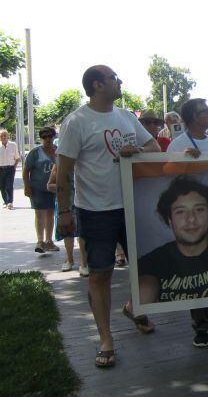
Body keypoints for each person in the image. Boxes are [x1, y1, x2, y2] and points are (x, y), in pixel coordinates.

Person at [56, 65, 161, 369]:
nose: (120, 82)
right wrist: (64, 212)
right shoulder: (76, 122)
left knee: (148, 269)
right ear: (98, 84)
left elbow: (153, 147)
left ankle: (134, 308)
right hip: (94, 211)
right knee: (101, 275)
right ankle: (106, 339)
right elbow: (63, 171)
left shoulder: (127, 117)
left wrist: (136, 154)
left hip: (132, 206)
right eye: (115, 78)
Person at [138, 176, 208, 347]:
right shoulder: (153, 263)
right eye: (180, 212)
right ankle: (202, 324)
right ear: (169, 220)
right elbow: (145, 291)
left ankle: (206, 317)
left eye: (199, 210)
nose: (191, 219)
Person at [165, 97, 208, 345]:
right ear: (194, 117)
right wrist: (183, 162)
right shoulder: (177, 144)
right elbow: (167, 175)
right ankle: (199, 324)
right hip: (192, 213)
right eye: (205, 112)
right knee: (194, 266)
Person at [47, 162, 88, 274]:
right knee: (67, 232)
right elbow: (49, 185)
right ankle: (69, 259)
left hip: (82, 201)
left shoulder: (84, 163)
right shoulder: (59, 164)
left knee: (82, 233)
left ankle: (84, 263)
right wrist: (63, 186)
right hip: (65, 202)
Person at [23, 126, 58, 253]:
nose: (47, 139)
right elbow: (26, 170)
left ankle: (49, 241)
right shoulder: (35, 152)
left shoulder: (58, 151)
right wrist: (27, 186)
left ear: (54, 137)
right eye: (44, 136)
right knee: (39, 214)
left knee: (50, 213)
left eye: (50, 136)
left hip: (54, 189)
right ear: (41, 138)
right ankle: (40, 241)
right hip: (37, 188)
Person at [0, 128, 21, 209]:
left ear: (8, 136)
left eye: (5, 135)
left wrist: (14, 167)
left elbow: (17, 158)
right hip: (1, 169)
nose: (3, 137)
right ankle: (5, 201)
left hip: (10, 168)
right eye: (1, 136)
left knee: (9, 185)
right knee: (2, 186)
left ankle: (10, 202)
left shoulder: (13, 145)